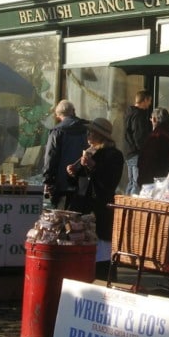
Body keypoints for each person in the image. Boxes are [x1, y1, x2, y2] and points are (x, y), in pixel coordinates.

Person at [66, 117, 125, 274]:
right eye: (88, 132)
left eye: (92, 132)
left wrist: (93, 166)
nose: (88, 135)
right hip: (82, 209)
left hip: (99, 212)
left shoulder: (114, 155)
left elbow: (109, 182)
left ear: (101, 136)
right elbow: (80, 183)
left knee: (101, 258)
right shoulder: (89, 153)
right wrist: (73, 172)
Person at [41, 99, 89, 209]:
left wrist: (47, 180)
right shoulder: (86, 129)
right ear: (73, 111)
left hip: (61, 180)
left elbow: (50, 157)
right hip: (82, 181)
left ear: (58, 115)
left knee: (59, 216)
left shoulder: (57, 131)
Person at [123, 89, 153, 195]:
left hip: (128, 151)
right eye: (149, 101)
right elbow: (138, 135)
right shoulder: (139, 115)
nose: (149, 104)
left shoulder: (129, 112)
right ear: (144, 100)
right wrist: (144, 150)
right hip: (136, 152)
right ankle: (132, 205)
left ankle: (125, 204)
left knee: (132, 181)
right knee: (136, 182)